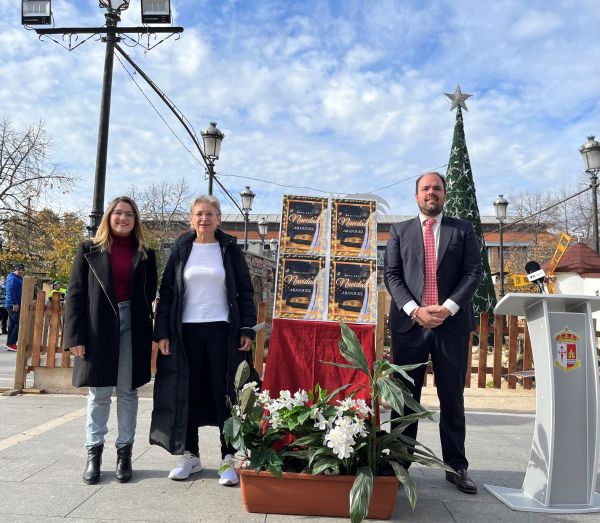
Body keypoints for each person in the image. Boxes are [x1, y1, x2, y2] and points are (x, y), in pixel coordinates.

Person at [384, 172, 482, 494]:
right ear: (416, 196)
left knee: (452, 397)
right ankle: (400, 463)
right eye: (425, 188)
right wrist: (416, 310)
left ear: (444, 194)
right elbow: (392, 275)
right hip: (409, 326)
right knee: (405, 400)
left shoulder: (462, 230)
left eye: (436, 188)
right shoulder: (399, 231)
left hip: (450, 326)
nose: (431, 193)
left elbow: (472, 273)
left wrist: (448, 307)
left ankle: (457, 467)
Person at [150, 195, 256, 486]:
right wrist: (162, 333)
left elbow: (246, 292)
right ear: (191, 218)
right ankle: (190, 455)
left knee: (225, 393)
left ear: (219, 218)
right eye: (199, 214)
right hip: (185, 332)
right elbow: (167, 292)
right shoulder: (181, 249)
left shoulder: (230, 249)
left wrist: (246, 328)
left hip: (222, 330)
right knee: (187, 391)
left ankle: (228, 459)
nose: (204, 218)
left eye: (210, 214)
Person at [64, 196, 157, 485]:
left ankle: (124, 454)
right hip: (98, 325)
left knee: (128, 392)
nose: (123, 218)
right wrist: (76, 336)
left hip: (133, 323)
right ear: (109, 216)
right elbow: (75, 295)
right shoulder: (88, 249)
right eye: (118, 213)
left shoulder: (145, 253)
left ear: (135, 220)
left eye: (129, 214)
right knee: (99, 393)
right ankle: (94, 454)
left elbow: (149, 293)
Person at [5, 263, 25, 352]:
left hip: (14, 304)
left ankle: (9, 344)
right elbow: (10, 291)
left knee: (12, 324)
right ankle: (12, 344)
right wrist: (14, 303)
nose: (21, 272)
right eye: (19, 271)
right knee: (18, 323)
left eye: (22, 271)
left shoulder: (18, 278)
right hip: (12, 305)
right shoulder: (12, 278)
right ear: (16, 270)